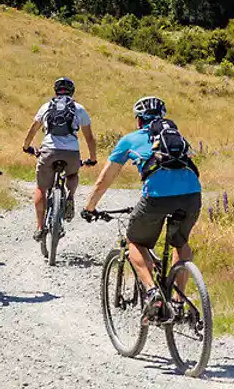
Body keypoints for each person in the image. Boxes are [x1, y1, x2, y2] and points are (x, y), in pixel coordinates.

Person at [83, 96, 201, 321]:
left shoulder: (129, 140)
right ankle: (178, 303)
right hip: (192, 196)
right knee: (180, 242)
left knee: (135, 241)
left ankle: (152, 293)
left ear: (138, 120)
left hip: (157, 198)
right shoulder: (176, 137)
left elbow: (103, 180)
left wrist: (90, 207)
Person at [21, 76, 97, 244]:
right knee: (72, 174)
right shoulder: (79, 108)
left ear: (55, 91)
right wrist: (92, 158)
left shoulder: (46, 107)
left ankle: (40, 227)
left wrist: (26, 146)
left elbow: (33, 129)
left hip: (48, 150)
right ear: (72, 92)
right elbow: (89, 137)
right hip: (71, 152)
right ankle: (70, 196)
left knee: (41, 188)